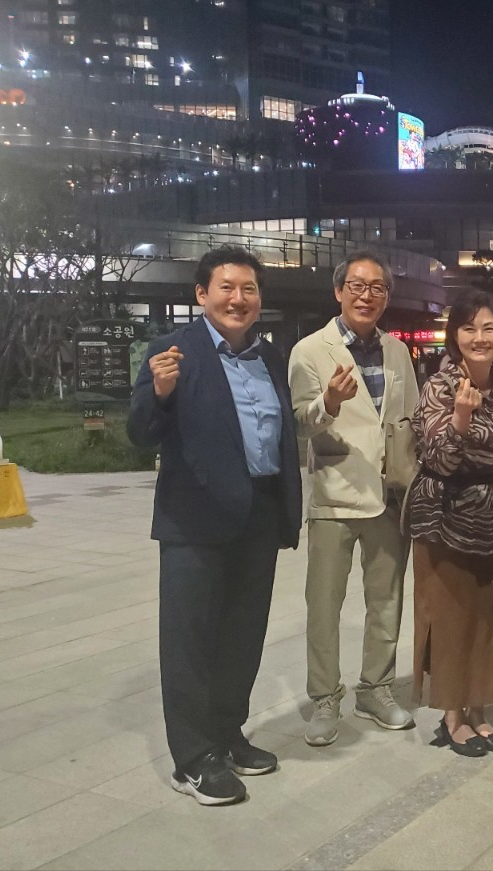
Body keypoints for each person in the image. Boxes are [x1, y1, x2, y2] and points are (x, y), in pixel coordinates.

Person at [127, 246, 302, 806]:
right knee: (190, 639)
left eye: (249, 288)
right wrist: (160, 393)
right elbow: (139, 434)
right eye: (226, 287)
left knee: (242, 635)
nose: (238, 298)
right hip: (194, 518)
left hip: (258, 513)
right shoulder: (172, 352)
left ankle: (227, 733)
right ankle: (193, 757)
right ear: (202, 294)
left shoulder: (269, 356)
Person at [288, 252, 420, 747]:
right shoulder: (309, 350)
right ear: (339, 291)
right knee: (324, 605)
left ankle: (376, 688)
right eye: (358, 286)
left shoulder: (397, 351)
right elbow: (300, 421)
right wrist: (329, 403)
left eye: (377, 287)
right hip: (335, 493)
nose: (367, 295)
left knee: (386, 600)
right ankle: (325, 698)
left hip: (389, 494)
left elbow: (408, 420)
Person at [406, 289, 493, 757]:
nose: (479, 337)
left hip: (491, 516)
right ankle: (452, 716)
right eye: (469, 328)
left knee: (487, 617)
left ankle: (479, 709)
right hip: (443, 518)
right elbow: (438, 459)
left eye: (489, 327)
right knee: (451, 618)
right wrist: (460, 417)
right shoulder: (439, 385)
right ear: (455, 335)